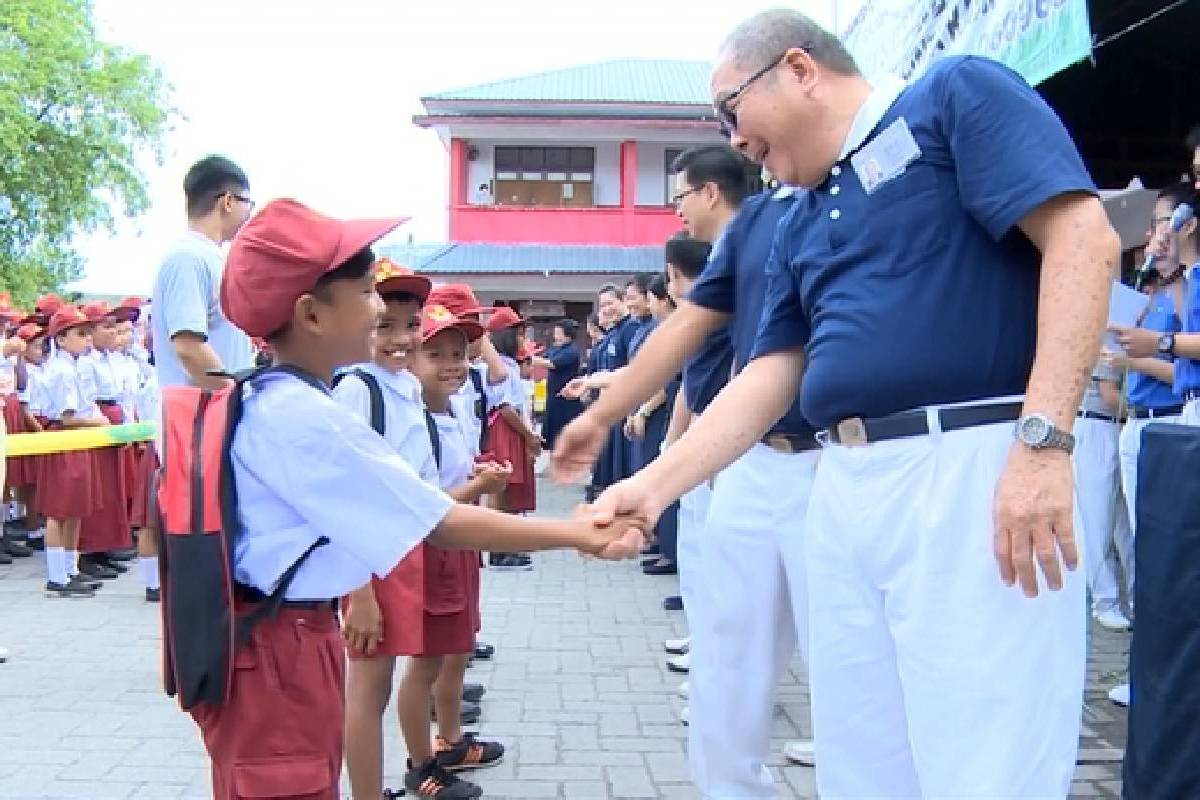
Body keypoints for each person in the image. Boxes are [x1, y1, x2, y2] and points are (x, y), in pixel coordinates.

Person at [567, 10, 1119, 797]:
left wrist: (1041, 444)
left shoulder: (951, 95)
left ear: (798, 68)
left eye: (731, 111)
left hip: (970, 468)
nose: (735, 140)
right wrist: (654, 486)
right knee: (863, 759)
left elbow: (1082, 236)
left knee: (984, 757)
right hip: (845, 487)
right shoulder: (798, 212)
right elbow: (771, 373)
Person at [188, 198, 642, 800]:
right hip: (279, 653)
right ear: (312, 314)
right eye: (366, 293)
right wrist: (580, 533)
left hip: (281, 639)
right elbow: (440, 520)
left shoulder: (277, 398)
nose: (381, 310)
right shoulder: (303, 416)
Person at [1106, 183, 1192, 599]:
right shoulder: (1146, 290)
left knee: (1173, 533)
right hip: (1135, 423)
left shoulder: (1185, 290)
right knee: (1144, 532)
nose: (1153, 234)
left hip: (1173, 421)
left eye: (1161, 222)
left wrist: (1134, 359)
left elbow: (1182, 372)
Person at [37, 306, 108, 598]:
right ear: (61, 339)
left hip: (77, 438)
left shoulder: (74, 367)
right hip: (64, 437)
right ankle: (57, 576)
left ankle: (70, 569)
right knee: (59, 510)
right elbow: (67, 417)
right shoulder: (62, 370)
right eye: (80, 334)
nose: (86, 339)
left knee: (75, 508)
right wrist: (97, 422)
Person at [627, 273, 681, 578]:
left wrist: (643, 411)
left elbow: (665, 381)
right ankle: (664, 545)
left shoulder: (675, 331)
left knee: (667, 484)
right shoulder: (657, 330)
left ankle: (670, 551)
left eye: (648, 297)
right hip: (657, 412)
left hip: (666, 415)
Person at [535, 319, 582, 451]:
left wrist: (531, 360)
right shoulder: (556, 348)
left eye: (558, 331)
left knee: (562, 435)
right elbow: (545, 358)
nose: (555, 333)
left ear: (565, 333)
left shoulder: (571, 351)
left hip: (565, 399)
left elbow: (552, 363)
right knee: (551, 436)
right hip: (552, 397)